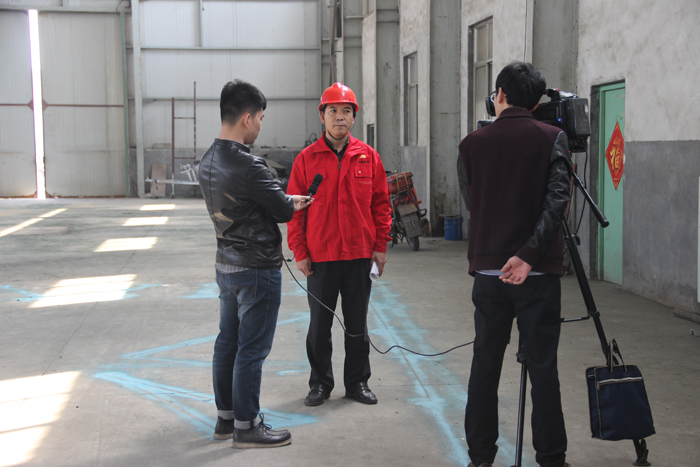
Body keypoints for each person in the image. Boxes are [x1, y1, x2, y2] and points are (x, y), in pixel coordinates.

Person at [458, 62, 572, 467]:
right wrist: (527, 255)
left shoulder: (471, 144)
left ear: (499, 94)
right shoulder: (553, 138)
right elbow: (557, 202)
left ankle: (480, 457)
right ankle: (551, 458)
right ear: (537, 102)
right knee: (543, 369)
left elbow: (473, 202)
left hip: (489, 274)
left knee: (485, 365)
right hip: (537, 276)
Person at [199, 80, 311, 448]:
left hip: (226, 264)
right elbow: (281, 211)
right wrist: (287, 201)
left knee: (227, 342)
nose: (260, 125)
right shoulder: (250, 165)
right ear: (247, 118)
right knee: (252, 349)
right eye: (260, 118)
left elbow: (249, 203)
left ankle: (227, 418)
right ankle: (247, 426)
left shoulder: (208, 160)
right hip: (256, 269)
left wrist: (282, 198)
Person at [286, 83, 392, 407]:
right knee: (319, 326)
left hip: (360, 255)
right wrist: (300, 251)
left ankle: (358, 383)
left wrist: (380, 247)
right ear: (322, 116)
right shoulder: (306, 160)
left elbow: (381, 205)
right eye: (333, 110)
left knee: (357, 324)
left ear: (354, 117)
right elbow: (294, 210)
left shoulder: (368, 157)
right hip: (322, 256)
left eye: (346, 111)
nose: (340, 117)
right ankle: (320, 384)